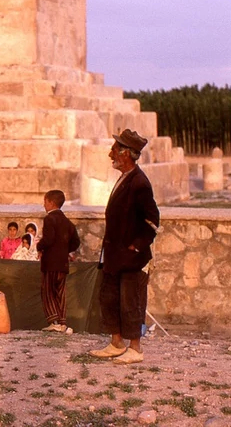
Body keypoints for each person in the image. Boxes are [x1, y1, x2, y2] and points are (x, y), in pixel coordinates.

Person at [90, 129, 160, 365]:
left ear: (126, 154)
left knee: (131, 301)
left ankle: (135, 348)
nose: (111, 154)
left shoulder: (140, 183)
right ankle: (116, 342)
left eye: (115, 149)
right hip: (113, 256)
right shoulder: (124, 179)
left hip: (130, 259)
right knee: (110, 299)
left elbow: (152, 221)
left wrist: (135, 247)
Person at [36, 189, 80, 333]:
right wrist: (64, 251)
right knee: (60, 293)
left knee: (48, 291)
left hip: (50, 263)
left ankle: (54, 321)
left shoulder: (49, 219)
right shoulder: (67, 222)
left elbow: (48, 239)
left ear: (51, 202)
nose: (44, 205)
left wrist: (39, 245)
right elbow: (76, 242)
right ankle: (62, 322)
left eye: (45, 202)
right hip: (63, 263)